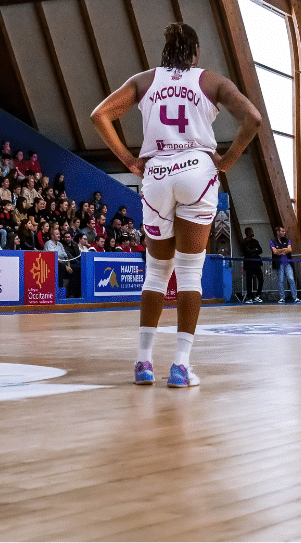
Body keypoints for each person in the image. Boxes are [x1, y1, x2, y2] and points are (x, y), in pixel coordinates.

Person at [90, 22, 261, 388]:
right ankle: (181, 366)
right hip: (197, 169)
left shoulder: (144, 80)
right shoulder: (210, 81)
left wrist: (128, 160)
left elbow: (99, 115)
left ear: (166, 52)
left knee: (156, 272)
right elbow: (253, 118)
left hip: (156, 171)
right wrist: (228, 159)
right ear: (195, 52)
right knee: (188, 273)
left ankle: (143, 362)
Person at [270, 226, 299, 304]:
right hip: (279, 264)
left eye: (284, 231)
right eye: (282, 231)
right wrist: (284, 250)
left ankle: (295, 297)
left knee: (291, 279)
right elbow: (275, 252)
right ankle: (282, 297)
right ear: (278, 232)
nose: (284, 233)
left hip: (288, 263)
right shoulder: (273, 241)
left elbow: (290, 249)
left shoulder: (287, 240)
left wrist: (280, 250)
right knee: (281, 280)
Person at [239, 227, 264, 303]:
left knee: (261, 279)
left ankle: (257, 295)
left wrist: (253, 252)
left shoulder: (255, 241)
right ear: (247, 233)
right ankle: (250, 297)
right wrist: (254, 251)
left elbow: (260, 250)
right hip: (249, 263)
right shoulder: (243, 242)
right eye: (251, 231)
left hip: (256, 262)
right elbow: (246, 252)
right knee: (249, 280)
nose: (253, 232)